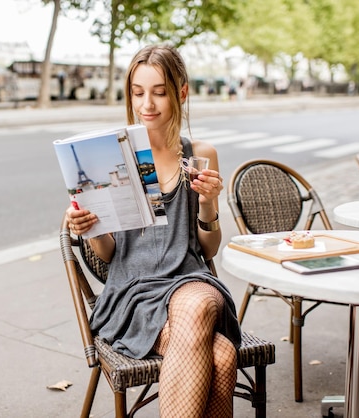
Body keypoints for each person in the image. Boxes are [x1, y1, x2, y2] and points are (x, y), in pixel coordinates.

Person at [66, 44, 241, 417]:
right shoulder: (112, 156)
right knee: (222, 357)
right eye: (138, 92)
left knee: (195, 304)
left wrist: (209, 203)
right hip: (133, 292)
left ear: (181, 92)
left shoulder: (199, 153)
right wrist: (92, 228)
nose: (147, 104)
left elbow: (208, 250)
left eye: (159, 92)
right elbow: (109, 255)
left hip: (189, 279)